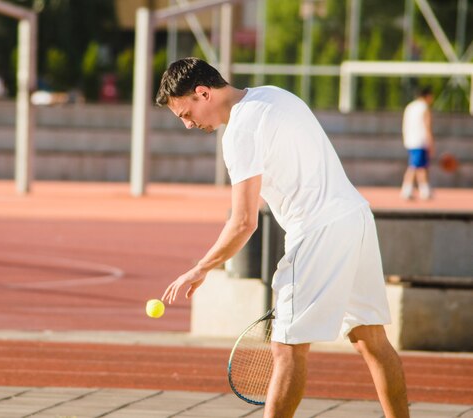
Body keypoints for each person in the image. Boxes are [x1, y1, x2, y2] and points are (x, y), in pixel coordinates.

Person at [157, 58, 409, 418]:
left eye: (185, 112)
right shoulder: (274, 95)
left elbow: (244, 222)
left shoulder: (240, 131)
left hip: (316, 232)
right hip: (355, 218)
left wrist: (200, 268)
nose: (187, 124)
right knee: (372, 340)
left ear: (203, 93)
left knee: (287, 349)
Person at [401, 87, 435, 200]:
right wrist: (431, 142)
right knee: (415, 165)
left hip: (410, 139)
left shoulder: (410, 106)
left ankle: (423, 189)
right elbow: (427, 125)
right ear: (428, 96)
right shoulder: (424, 107)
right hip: (420, 140)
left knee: (420, 166)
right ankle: (407, 189)